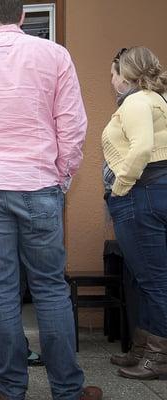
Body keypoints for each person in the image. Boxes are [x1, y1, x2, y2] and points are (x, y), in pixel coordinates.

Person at [0, 1, 102, 399]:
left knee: (0, 289)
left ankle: (11, 387)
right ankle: (67, 389)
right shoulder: (55, 55)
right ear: (23, 16)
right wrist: (61, 176)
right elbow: (73, 124)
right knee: (49, 287)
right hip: (39, 183)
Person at [102, 46, 167, 380]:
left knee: (154, 282)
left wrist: (120, 186)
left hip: (141, 194)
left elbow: (141, 148)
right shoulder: (155, 100)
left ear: (125, 75)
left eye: (113, 74)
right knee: (146, 279)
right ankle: (143, 349)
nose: (111, 80)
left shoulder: (139, 101)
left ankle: (158, 359)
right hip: (152, 191)